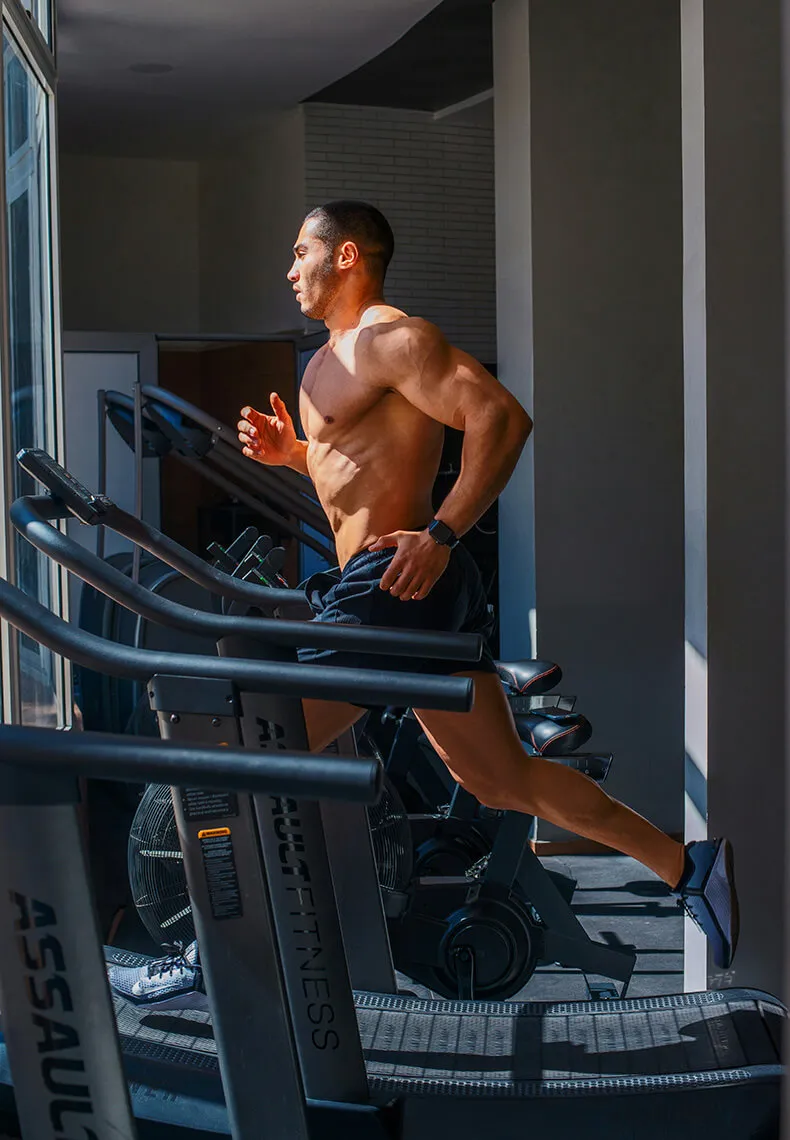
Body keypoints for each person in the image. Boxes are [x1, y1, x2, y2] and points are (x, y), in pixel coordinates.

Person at [108, 200, 736, 1009]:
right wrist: (294, 456)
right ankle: (693, 870)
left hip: (393, 594)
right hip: (384, 598)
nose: (289, 267)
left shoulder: (393, 339)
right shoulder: (326, 362)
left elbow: (500, 419)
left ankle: (209, 953)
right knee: (506, 779)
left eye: (301, 251)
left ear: (347, 258)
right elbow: (360, 473)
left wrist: (439, 533)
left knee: (248, 752)